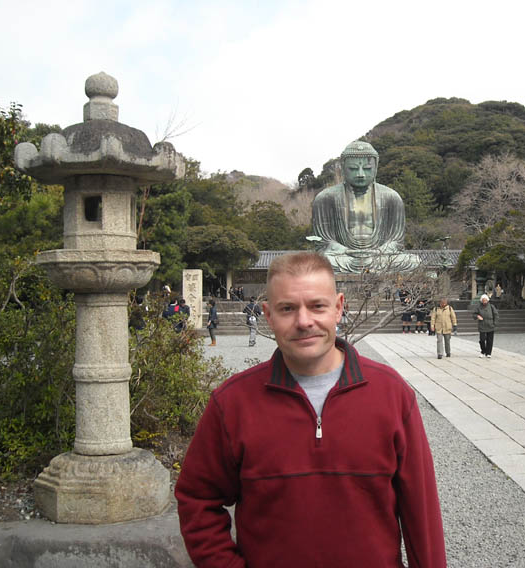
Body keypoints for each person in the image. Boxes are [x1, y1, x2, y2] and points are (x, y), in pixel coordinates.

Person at [175, 252, 446, 568]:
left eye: (317, 306)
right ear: (268, 315)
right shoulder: (233, 402)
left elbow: (421, 512)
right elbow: (198, 499)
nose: (304, 321)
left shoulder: (390, 394)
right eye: (287, 308)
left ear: (339, 308)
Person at [311, 140, 419, 273]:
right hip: (343, 257)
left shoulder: (391, 197)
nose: (360, 174)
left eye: (367, 169)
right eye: (353, 169)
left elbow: (396, 242)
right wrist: (347, 251)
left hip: (380, 257)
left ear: (376, 168)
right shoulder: (325, 198)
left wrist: (377, 252)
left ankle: (367, 265)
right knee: (319, 262)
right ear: (343, 168)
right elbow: (323, 242)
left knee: (412, 261)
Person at [472, 294, 499, 358]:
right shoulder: (478, 306)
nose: (484, 302)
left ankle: (488, 353)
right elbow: (474, 314)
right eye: (483, 300)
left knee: (490, 340)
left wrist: (494, 323)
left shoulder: (491, 306)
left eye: (485, 300)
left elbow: (496, 315)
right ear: (481, 301)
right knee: (482, 339)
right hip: (482, 325)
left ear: (487, 300)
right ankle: (483, 351)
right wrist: (477, 316)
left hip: (490, 325)